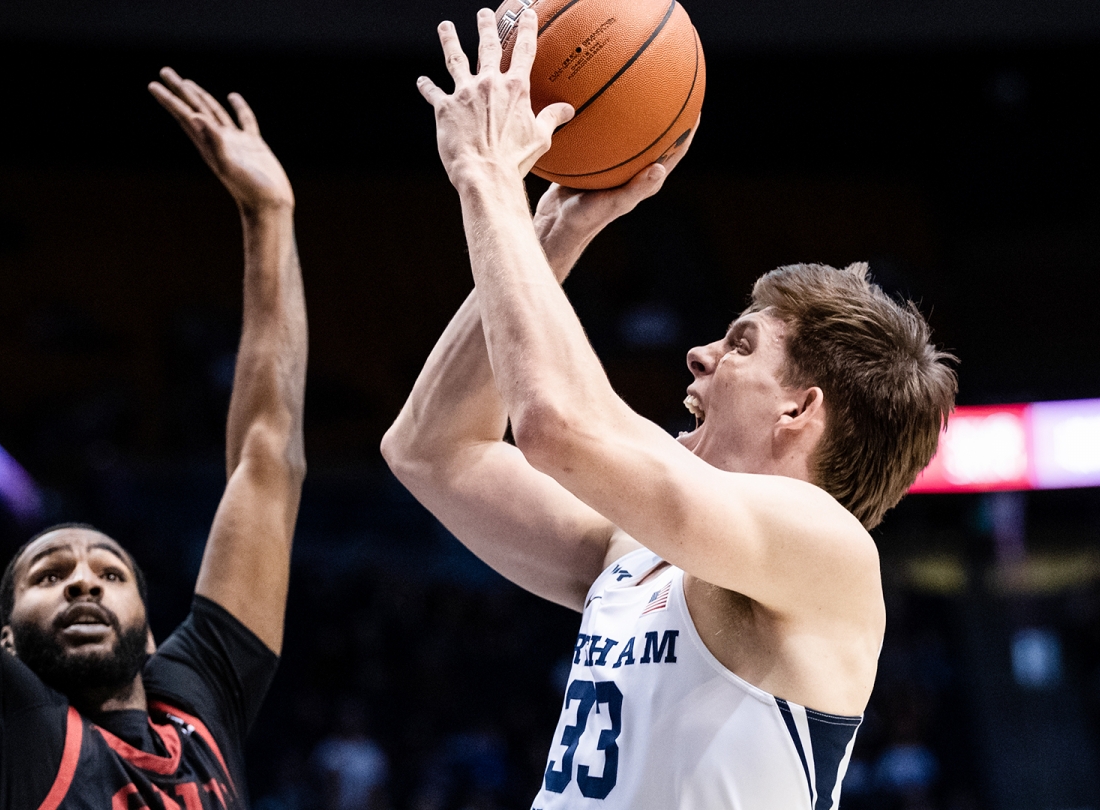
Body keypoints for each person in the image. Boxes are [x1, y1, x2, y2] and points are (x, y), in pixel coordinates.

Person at [382, 9, 957, 809]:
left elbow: (556, 424)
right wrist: (552, 231)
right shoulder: (637, 551)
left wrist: (488, 180)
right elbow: (430, 450)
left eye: (742, 345)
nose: (701, 355)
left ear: (800, 409)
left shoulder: (830, 552)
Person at [0, 67, 307, 809]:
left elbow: (268, 459)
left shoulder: (197, 700)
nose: (84, 580)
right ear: (5, 640)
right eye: (49, 577)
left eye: (110, 576)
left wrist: (270, 213)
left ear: (152, 639)